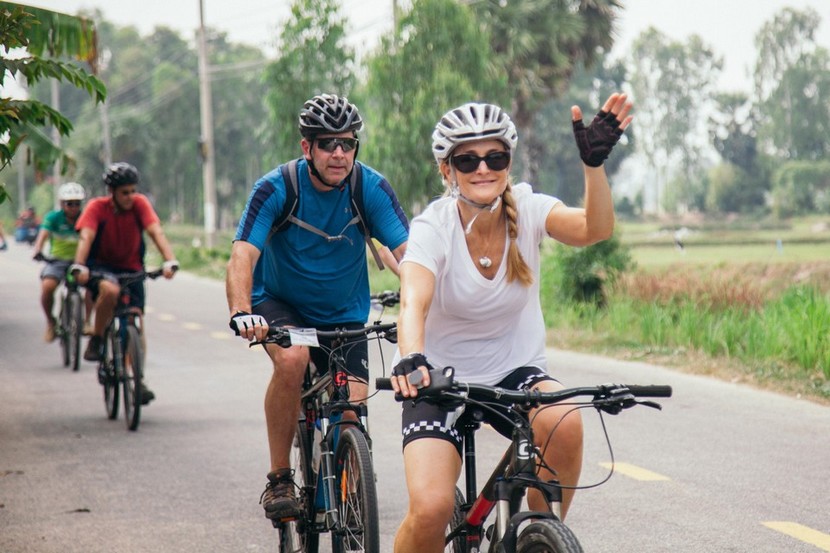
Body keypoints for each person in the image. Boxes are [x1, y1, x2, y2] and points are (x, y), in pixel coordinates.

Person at [388, 94, 633, 553]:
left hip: (515, 372)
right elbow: (412, 302)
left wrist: (593, 166)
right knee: (432, 510)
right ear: (447, 170)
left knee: (565, 419)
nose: (483, 168)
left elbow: (594, 230)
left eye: (495, 156)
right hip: (437, 378)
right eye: (467, 159)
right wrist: (413, 359)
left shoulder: (529, 208)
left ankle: (538, 537)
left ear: (508, 161)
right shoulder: (433, 227)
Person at [225, 93, 409, 521]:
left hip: (344, 312)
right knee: (293, 359)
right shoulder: (276, 187)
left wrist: (430, 305)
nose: (339, 153)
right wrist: (240, 311)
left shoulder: (370, 188)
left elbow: (409, 255)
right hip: (279, 303)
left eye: (347, 143)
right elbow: (242, 256)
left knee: (352, 408)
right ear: (307, 148)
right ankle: (280, 478)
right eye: (328, 143)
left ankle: (347, 493)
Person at [71, 162, 179, 405]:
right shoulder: (96, 208)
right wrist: (80, 266)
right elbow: (86, 236)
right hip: (100, 267)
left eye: (132, 191)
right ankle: (97, 338)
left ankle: (136, 378)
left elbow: (155, 231)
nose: (130, 196)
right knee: (109, 291)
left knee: (134, 319)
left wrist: (170, 260)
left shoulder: (140, 204)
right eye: (124, 192)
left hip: (132, 268)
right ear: (112, 192)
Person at [32, 182, 88, 342]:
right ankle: (51, 322)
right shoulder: (53, 218)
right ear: (63, 204)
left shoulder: (85, 218)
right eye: (70, 204)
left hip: (81, 262)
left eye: (77, 204)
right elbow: (42, 236)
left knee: (94, 286)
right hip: (57, 261)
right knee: (47, 287)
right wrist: (37, 250)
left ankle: (87, 322)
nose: (73, 207)